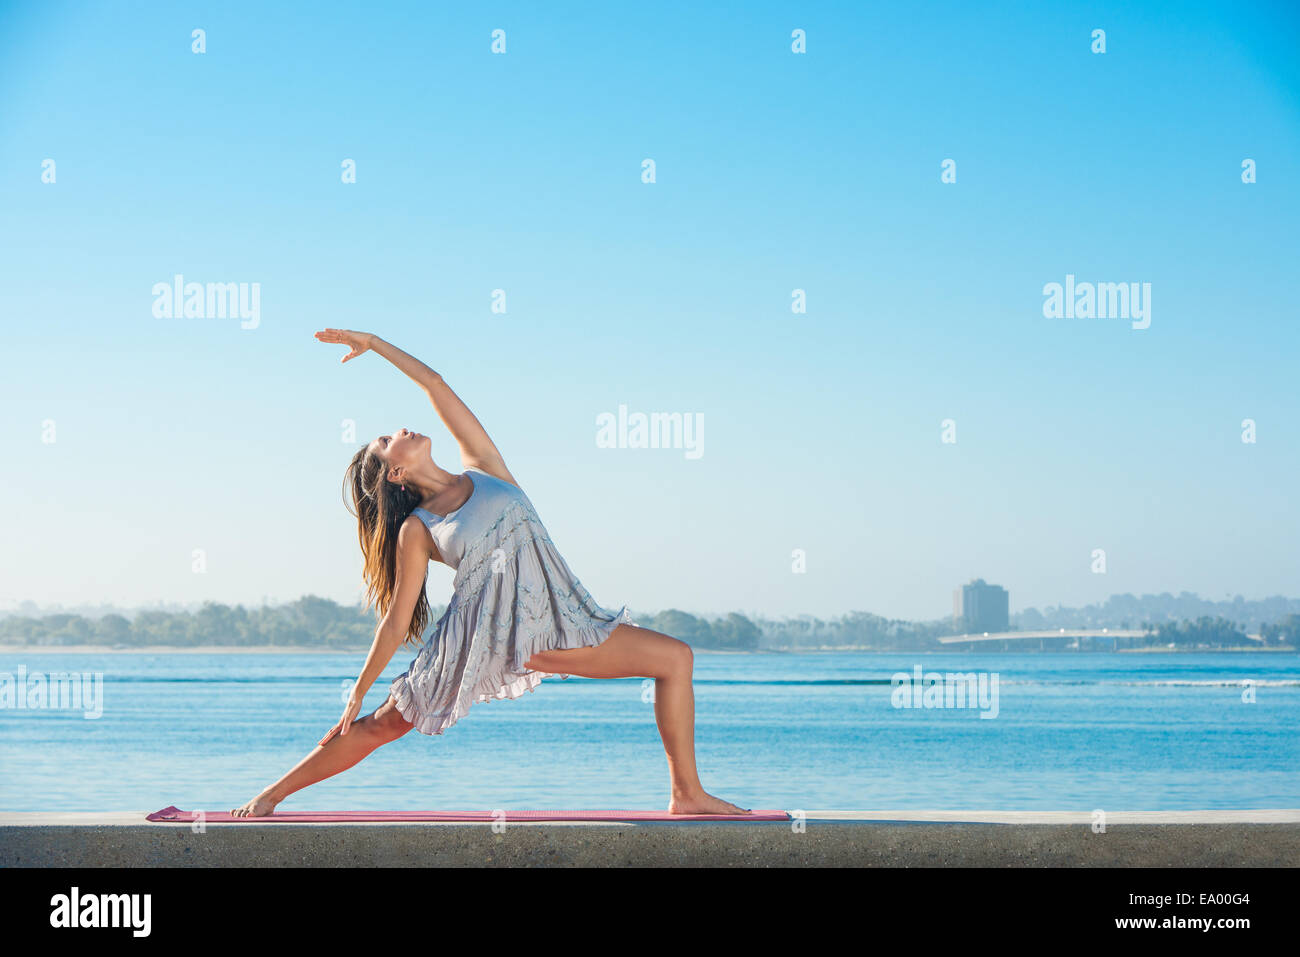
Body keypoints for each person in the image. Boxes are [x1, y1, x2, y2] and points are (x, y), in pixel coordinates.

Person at [231, 330, 750, 816]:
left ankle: (686, 793)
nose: (399, 430)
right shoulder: (420, 528)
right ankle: (269, 797)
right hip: (482, 637)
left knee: (675, 659)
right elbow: (397, 618)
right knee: (382, 723)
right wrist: (359, 689)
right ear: (396, 472)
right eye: (388, 440)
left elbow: (435, 384)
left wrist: (373, 343)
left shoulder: (485, 467)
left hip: (559, 623)